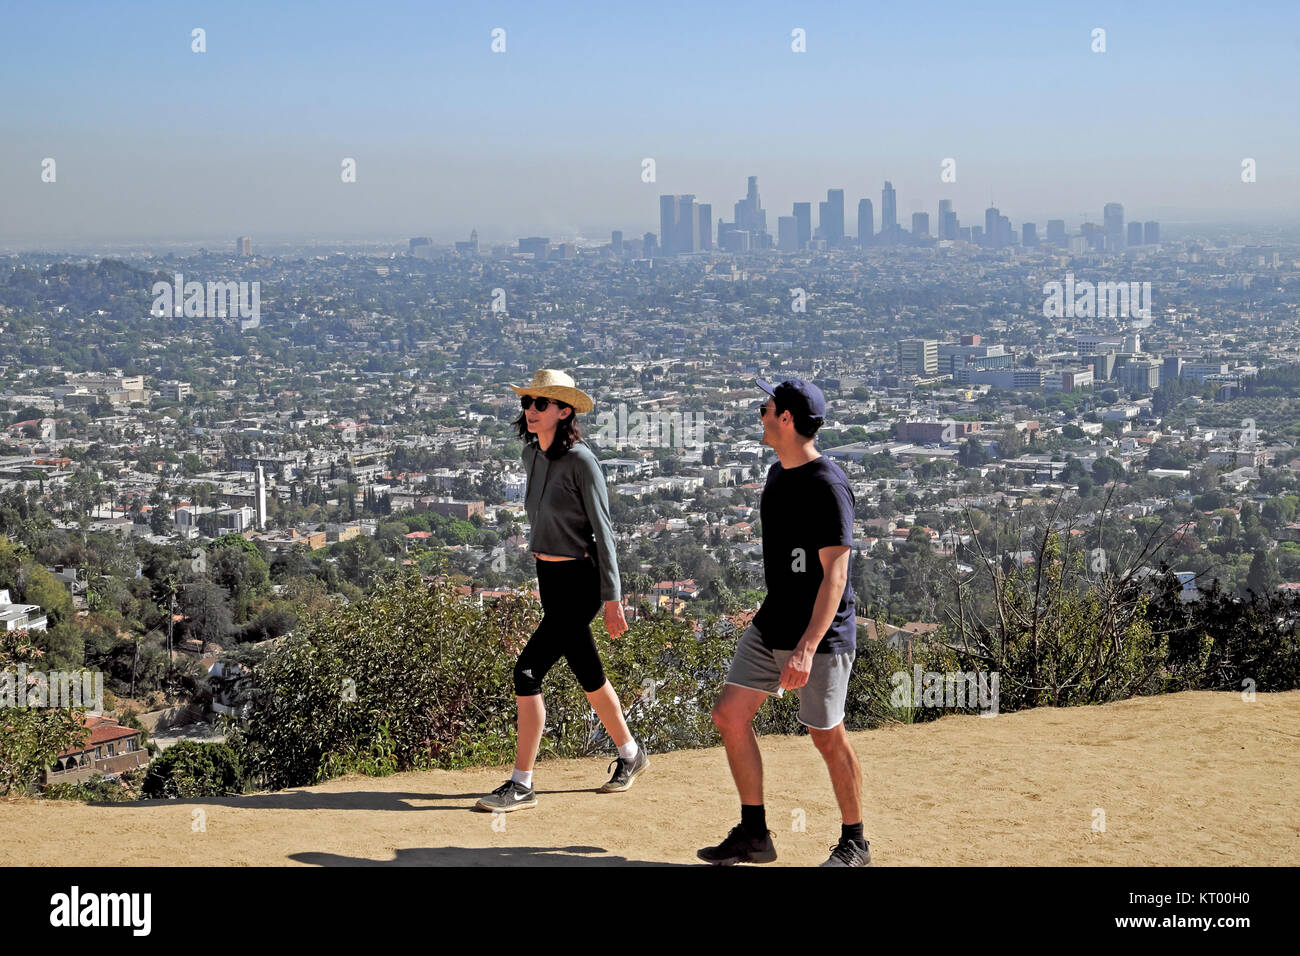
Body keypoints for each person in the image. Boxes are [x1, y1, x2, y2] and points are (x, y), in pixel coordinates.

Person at [697, 377, 870, 866]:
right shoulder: (777, 475)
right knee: (729, 716)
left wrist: (807, 647)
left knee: (825, 734)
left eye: (766, 406)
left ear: (787, 419)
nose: (761, 412)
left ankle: (856, 843)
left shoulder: (828, 486)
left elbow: (836, 575)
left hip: (821, 633)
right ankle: (755, 834)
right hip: (774, 620)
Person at [475, 369, 648, 813]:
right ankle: (631, 754)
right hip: (549, 578)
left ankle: (522, 783)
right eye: (527, 403)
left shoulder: (582, 461)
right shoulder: (532, 455)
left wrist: (613, 599)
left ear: (564, 410)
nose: (530, 410)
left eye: (539, 403)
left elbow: (604, 532)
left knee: (527, 670)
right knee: (587, 670)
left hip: (582, 581)